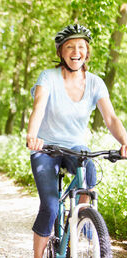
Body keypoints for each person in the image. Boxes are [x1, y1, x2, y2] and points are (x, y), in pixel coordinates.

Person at [26, 24, 127, 258]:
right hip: (46, 149)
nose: (76, 51)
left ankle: (79, 222)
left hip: (75, 148)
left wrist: (124, 141)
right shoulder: (48, 77)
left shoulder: (95, 83)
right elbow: (39, 106)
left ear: (87, 52)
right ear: (61, 52)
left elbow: (111, 118)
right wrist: (33, 135)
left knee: (89, 179)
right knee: (50, 206)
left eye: (81, 46)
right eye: (70, 46)